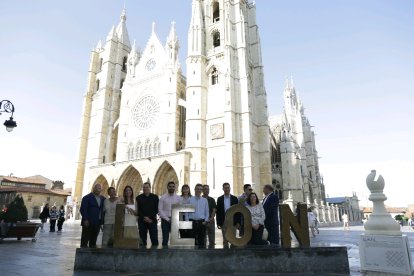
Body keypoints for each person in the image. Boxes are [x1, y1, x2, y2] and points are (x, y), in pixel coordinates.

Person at [80, 183, 105, 248]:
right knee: (84, 240)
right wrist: (85, 219)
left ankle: (91, 255)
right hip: (88, 222)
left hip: (97, 222)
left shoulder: (103, 199)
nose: (97, 189)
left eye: (99, 188)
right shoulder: (86, 197)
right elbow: (83, 209)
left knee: (93, 240)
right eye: (96, 188)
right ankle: (83, 255)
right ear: (93, 188)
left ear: (101, 190)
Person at [158, 181, 181, 246]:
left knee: (175, 240)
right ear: (167, 187)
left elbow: (180, 209)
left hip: (175, 220)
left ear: (175, 188)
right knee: (165, 239)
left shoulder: (178, 198)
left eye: (173, 187)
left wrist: (175, 218)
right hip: (165, 221)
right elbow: (160, 210)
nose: (171, 188)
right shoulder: (163, 198)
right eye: (170, 186)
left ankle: (174, 255)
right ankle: (165, 255)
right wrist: (167, 219)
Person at [216, 182, 239, 248]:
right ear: (223, 189)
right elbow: (218, 212)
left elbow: (237, 211)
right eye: (225, 188)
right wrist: (218, 222)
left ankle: (233, 255)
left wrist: (237, 222)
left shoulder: (234, 198)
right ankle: (225, 255)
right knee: (225, 240)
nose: (227, 189)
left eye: (228, 187)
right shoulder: (220, 199)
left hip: (233, 221)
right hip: (224, 221)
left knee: (233, 239)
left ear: (230, 188)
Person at [136, 182, 159, 247]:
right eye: (144, 187)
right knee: (142, 240)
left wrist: (150, 218)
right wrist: (144, 217)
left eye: (147, 187)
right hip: (142, 221)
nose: (145, 188)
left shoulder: (155, 197)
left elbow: (156, 209)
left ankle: (155, 255)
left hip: (152, 221)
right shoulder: (138, 198)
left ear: (150, 188)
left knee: (154, 239)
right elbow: (138, 210)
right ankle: (142, 255)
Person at [188, 184, 209, 248]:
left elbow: (207, 211)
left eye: (200, 189)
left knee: (201, 240)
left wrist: (205, 221)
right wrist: (187, 221)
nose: (198, 190)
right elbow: (187, 212)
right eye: (197, 189)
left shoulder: (205, 200)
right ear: (194, 190)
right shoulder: (190, 199)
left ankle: (201, 256)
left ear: (202, 190)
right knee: (191, 240)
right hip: (192, 222)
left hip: (201, 222)